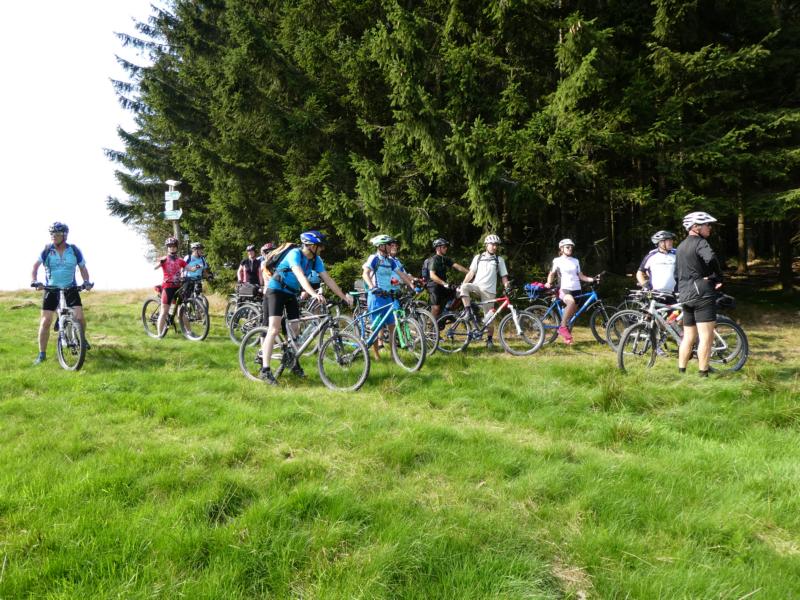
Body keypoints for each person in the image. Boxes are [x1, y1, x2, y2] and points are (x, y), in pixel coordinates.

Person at [259, 231, 354, 384]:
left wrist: (344, 297)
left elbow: (328, 279)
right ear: (311, 246)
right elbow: (300, 276)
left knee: (295, 330)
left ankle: (292, 361)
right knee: (274, 329)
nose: (322, 248)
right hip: (276, 291)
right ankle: (265, 370)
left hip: (291, 293)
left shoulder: (316, 260)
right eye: (320, 246)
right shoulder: (294, 254)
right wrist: (313, 294)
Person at [30, 222, 93, 364]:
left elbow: (83, 268)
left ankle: (81, 339)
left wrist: (86, 281)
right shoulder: (47, 250)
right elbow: (35, 267)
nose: (54, 236)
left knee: (80, 318)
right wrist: (35, 281)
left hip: (71, 288)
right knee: (46, 321)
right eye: (52, 234)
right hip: (51, 290)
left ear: (64, 236)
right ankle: (41, 355)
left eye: (57, 234)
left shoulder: (74, 250)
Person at [675, 211, 723, 377]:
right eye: (707, 225)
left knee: (688, 336)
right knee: (706, 337)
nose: (709, 227)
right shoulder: (701, 243)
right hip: (702, 294)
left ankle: (681, 372)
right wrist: (717, 276)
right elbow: (711, 258)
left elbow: (676, 274)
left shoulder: (680, 246)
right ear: (695, 227)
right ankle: (703, 374)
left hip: (685, 294)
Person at [362, 234, 417, 358]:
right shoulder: (374, 258)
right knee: (376, 327)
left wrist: (411, 284)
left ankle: (393, 355)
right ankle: (376, 355)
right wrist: (372, 287)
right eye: (389, 244)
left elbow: (401, 274)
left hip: (387, 296)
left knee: (392, 326)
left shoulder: (390, 261)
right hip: (376, 296)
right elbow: (365, 274)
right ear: (381, 246)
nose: (391, 246)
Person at [458, 234, 510, 350]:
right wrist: (462, 284)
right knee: (464, 287)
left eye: (496, 245)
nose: (494, 247)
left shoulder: (499, 260)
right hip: (476, 287)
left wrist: (507, 287)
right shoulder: (478, 257)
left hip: (489, 291)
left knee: (490, 317)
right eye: (492, 244)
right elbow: (471, 273)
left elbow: (504, 277)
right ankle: (468, 312)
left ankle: (489, 339)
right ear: (486, 245)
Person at [545, 239, 599, 345]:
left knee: (572, 314)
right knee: (571, 303)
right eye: (567, 247)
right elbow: (551, 273)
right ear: (561, 249)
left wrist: (592, 279)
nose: (570, 248)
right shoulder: (557, 260)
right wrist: (548, 283)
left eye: (571, 247)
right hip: (565, 288)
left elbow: (581, 276)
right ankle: (562, 327)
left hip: (577, 289)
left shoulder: (575, 261)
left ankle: (567, 337)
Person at [155, 236, 197, 337]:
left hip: (178, 287)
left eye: (174, 246)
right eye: (170, 246)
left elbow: (191, 269)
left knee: (181, 312)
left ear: (176, 247)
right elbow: (155, 267)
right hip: (167, 287)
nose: (172, 248)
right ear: (167, 248)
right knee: (164, 311)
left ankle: (189, 332)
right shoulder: (164, 259)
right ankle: (159, 335)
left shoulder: (180, 260)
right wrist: (160, 262)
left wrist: (197, 267)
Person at [425, 238, 469, 320]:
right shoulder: (434, 259)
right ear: (438, 248)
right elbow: (432, 276)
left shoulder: (444, 259)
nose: (446, 248)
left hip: (442, 285)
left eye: (446, 247)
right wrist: (445, 284)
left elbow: (457, 266)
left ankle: (447, 313)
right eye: (444, 247)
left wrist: (470, 273)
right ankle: (431, 325)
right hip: (434, 285)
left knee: (459, 293)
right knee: (436, 308)